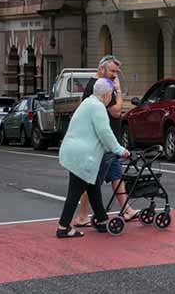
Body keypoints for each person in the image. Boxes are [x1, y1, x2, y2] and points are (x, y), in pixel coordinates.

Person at [55, 77, 129, 238]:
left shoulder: (88, 102)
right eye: (111, 94)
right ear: (106, 94)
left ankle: (102, 221)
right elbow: (104, 133)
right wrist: (119, 149)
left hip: (74, 152)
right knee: (75, 192)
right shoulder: (98, 107)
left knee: (93, 187)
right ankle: (63, 227)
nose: (112, 98)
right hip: (83, 156)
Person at [73, 55, 140, 227]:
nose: (114, 75)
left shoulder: (103, 84)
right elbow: (116, 112)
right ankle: (82, 216)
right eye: (112, 71)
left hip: (109, 141)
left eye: (116, 72)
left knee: (116, 174)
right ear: (102, 69)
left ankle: (125, 209)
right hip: (101, 142)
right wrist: (118, 95)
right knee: (91, 180)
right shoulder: (99, 86)